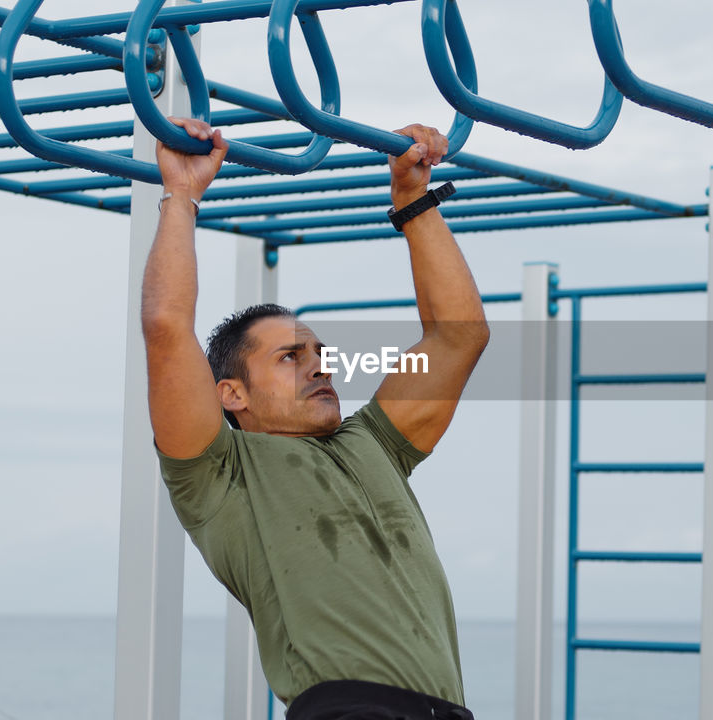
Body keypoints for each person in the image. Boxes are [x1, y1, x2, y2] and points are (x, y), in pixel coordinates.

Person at [141, 117, 488, 720]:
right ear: (232, 395)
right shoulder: (218, 475)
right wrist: (181, 195)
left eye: (321, 355)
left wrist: (413, 200)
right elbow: (167, 330)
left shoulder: (373, 443)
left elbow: (460, 338)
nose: (318, 367)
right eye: (290, 356)